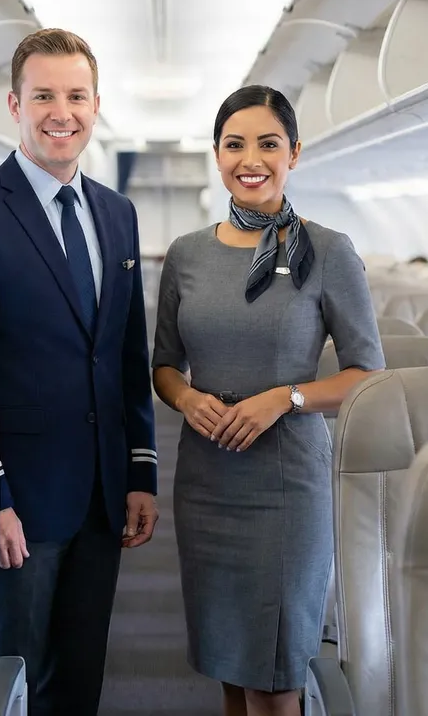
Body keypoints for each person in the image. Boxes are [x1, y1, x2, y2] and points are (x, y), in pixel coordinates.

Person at [0, 28, 158, 716]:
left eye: (77, 96)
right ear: (15, 104)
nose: (63, 112)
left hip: (101, 496)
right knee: (12, 683)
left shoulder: (116, 214)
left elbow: (124, 355)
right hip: (18, 501)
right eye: (45, 95)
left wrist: (140, 472)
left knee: (79, 683)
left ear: (96, 104)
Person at [152, 85, 385, 716]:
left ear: (294, 153)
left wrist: (287, 397)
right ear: (217, 155)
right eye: (234, 144)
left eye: (268, 143)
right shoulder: (187, 255)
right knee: (231, 665)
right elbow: (165, 366)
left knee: (278, 676)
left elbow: (367, 373)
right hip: (206, 481)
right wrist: (187, 398)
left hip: (287, 482)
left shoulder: (330, 251)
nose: (249, 158)